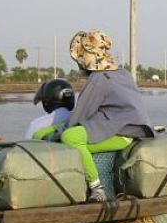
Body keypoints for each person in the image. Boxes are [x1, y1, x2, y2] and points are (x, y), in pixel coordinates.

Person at [61, 29, 154, 201]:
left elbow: (80, 115)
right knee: (82, 148)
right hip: (133, 130)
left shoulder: (97, 79)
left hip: (119, 132)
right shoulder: (123, 73)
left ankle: (97, 189)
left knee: (69, 138)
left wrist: (59, 133)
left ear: (85, 57)